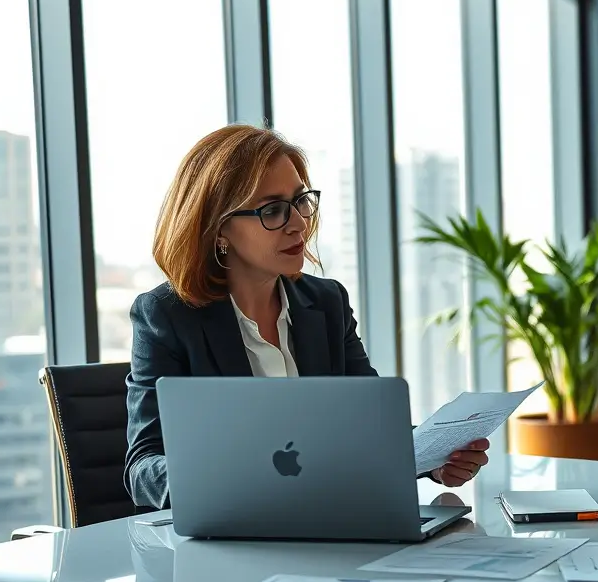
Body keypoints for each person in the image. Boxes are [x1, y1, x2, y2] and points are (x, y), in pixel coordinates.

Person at [125, 124, 488, 510]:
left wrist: (435, 461)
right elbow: (142, 469)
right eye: (273, 210)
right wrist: (228, 474)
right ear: (219, 230)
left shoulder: (326, 302)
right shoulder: (166, 316)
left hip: (329, 523)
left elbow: (370, 424)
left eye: (300, 201)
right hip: (232, 539)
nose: (298, 222)